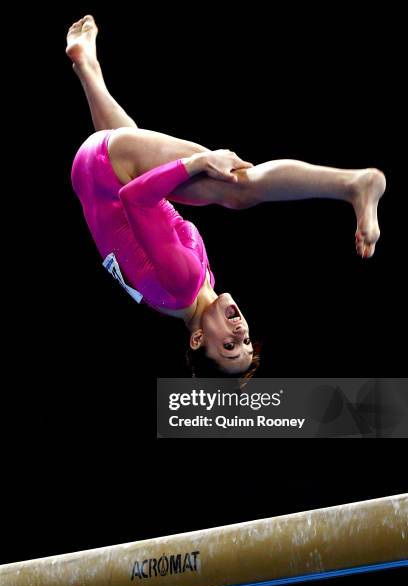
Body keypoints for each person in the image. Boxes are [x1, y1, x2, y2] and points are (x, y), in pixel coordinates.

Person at [67, 15, 386, 377]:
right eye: (248, 343)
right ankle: (86, 64)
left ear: (198, 338)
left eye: (230, 347)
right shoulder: (189, 292)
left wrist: (197, 162)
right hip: (95, 173)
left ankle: (355, 184)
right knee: (146, 149)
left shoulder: (183, 284)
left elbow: (134, 198)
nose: (242, 333)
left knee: (237, 189)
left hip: (106, 166)